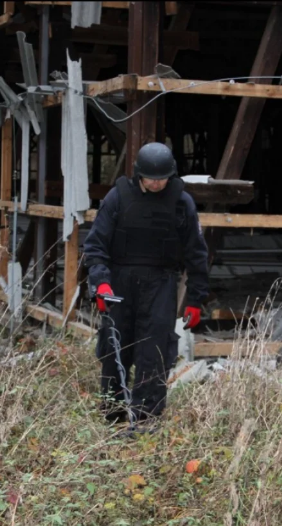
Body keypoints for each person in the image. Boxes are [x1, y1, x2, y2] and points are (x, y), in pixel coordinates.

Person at [83, 142, 209, 429]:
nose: (156, 183)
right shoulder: (118, 197)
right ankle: (112, 414)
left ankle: (146, 418)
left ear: (171, 175)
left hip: (161, 283)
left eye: (162, 178)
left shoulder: (181, 203)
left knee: (154, 350)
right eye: (151, 178)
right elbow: (95, 246)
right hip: (119, 283)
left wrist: (195, 298)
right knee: (116, 348)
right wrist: (101, 284)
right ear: (139, 174)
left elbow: (196, 254)